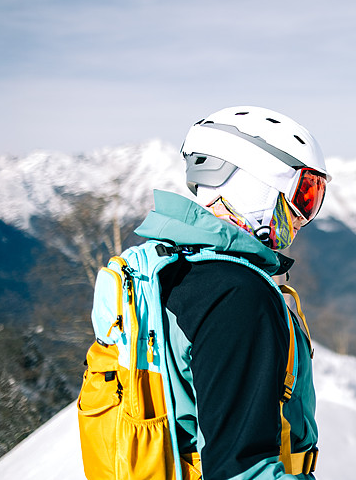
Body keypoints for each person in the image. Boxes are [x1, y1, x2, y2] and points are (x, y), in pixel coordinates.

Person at [133, 106, 328, 479]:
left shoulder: (175, 269)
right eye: (305, 193)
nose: (305, 216)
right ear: (255, 180)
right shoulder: (238, 296)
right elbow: (241, 471)